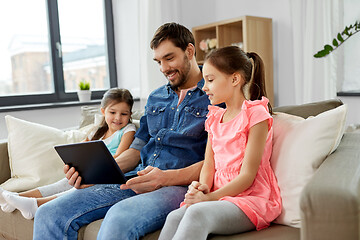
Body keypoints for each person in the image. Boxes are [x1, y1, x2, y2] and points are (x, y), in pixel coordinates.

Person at [32, 22, 210, 240]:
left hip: (179, 185)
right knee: (49, 213)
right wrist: (98, 173)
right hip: (137, 176)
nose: (163, 68)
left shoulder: (214, 95)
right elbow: (137, 149)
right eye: (158, 62)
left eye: (169, 58)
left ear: (189, 51)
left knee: (119, 218)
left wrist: (165, 178)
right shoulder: (156, 97)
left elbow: (218, 159)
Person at [158, 46, 282, 240]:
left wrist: (208, 199)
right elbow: (209, 165)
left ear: (234, 79)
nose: (204, 87)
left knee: (197, 213)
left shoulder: (256, 114)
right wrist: (202, 189)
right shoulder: (214, 117)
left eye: (210, 80)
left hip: (250, 198)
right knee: (174, 217)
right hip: (219, 196)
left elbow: (248, 176)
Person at [0, 88, 136, 220]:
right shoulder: (98, 132)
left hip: (108, 173)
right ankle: (14, 197)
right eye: (112, 112)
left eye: (124, 114)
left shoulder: (128, 130)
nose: (118, 118)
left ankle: (34, 204)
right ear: (103, 111)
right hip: (92, 169)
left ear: (130, 115)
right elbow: (79, 148)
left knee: (74, 189)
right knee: (62, 183)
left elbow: (119, 156)